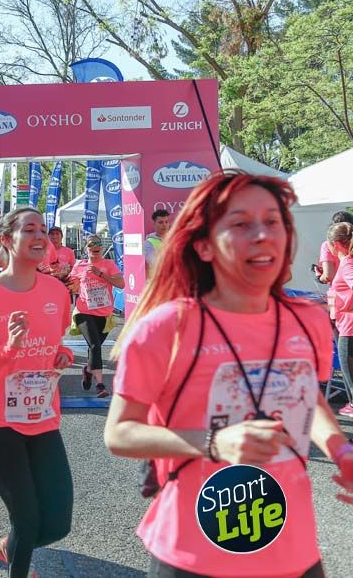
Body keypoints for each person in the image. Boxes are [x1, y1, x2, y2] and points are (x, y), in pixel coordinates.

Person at [106, 171, 353, 578]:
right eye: (240, 224)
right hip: (192, 554)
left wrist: (341, 451)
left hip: (292, 550)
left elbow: (307, 395)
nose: (262, 235)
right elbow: (119, 433)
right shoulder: (165, 328)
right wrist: (214, 442)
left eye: (272, 221)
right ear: (203, 246)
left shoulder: (306, 320)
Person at [0, 207, 75, 576]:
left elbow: (56, 343)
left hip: (42, 417)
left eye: (43, 229)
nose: (40, 236)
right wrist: (9, 349)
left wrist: (61, 355)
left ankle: (10, 545)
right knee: (26, 519)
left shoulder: (57, 292)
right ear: (8, 240)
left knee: (57, 523)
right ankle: (19, 551)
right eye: (29, 230)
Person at [68, 235, 124, 398]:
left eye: (98, 243)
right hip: (84, 312)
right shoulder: (80, 265)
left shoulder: (109, 264)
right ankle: (100, 385)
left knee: (95, 347)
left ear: (102, 247)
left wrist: (101, 274)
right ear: (86, 249)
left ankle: (88, 370)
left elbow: (121, 284)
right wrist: (71, 283)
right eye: (91, 244)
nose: (95, 246)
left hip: (105, 315)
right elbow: (71, 286)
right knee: (95, 346)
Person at [328, 222, 353, 417]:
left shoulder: (347, 264)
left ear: (335, 244)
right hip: (346, 324)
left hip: (349, 327)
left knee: (349, 375)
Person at [143, 209, 171, 275]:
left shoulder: (175, 238)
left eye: (166, 222)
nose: (164, 225)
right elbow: (154, 263)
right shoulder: (148, 243)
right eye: (160, 222)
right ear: (154, 224)